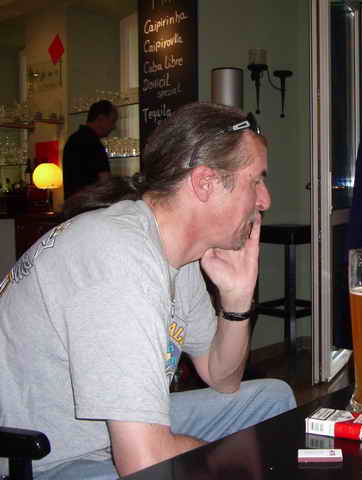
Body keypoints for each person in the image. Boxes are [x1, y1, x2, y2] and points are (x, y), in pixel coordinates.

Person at [0, 102, 296, 479]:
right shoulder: (119, 256)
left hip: (113, 436)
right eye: (255, 181)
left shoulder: (176, 253)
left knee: (271, 400)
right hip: (43, 460)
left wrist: (236, 299)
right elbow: (143, 462)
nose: (265, 200)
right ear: (205, 182)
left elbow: (223, 378)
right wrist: (230, 465)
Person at [62, 99, 117, 199]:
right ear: (100, 119)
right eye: (112, 121)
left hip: (73, 204)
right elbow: (105, 182)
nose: (114, 127)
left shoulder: (73, 139)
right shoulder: (94, 143)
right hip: (90, 203)